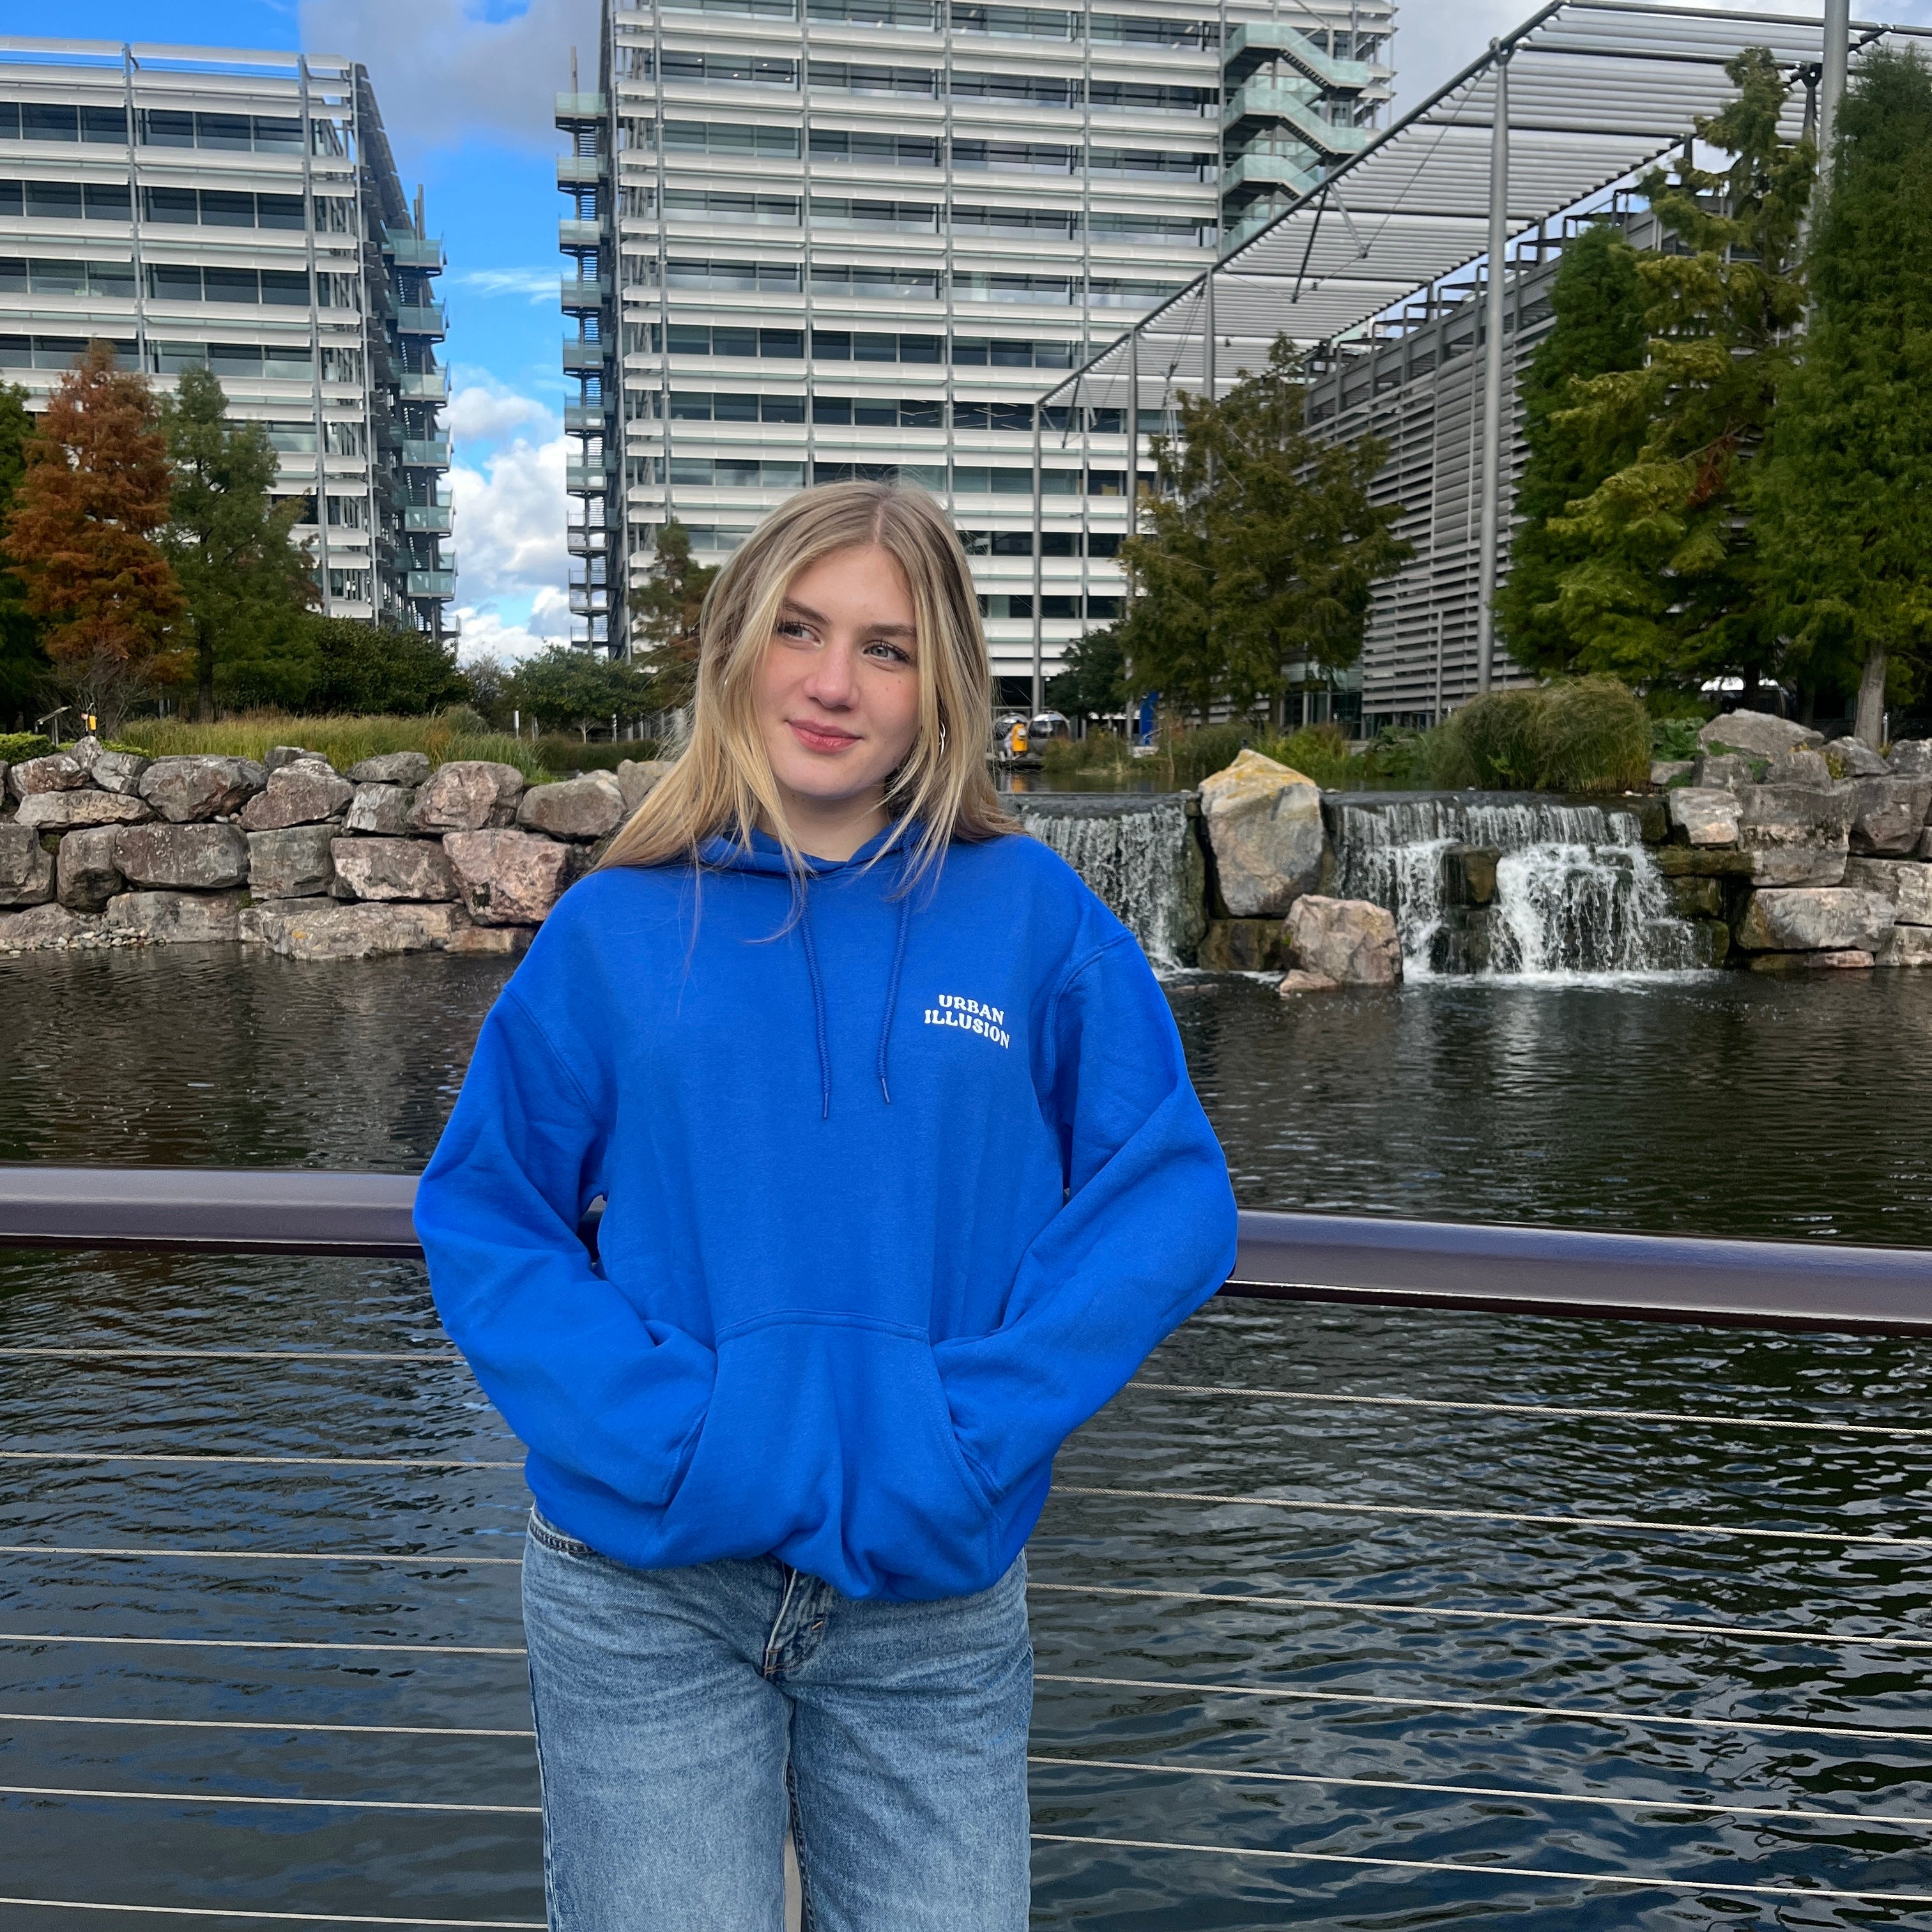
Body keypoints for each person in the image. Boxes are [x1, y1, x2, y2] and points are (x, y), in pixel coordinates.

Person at [414, 481, 1238, 1932]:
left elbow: (1163, 1200)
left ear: (943, 690)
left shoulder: (1036, 917)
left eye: (888, 647)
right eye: (800, 630)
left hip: (935, 1595)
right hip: (643, 1586)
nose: (833, 683)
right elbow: (491, 1215)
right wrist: (675, 1435)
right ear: (739, 646)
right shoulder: (615, 926)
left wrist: (966, 1428)